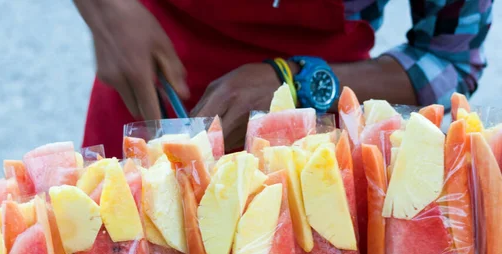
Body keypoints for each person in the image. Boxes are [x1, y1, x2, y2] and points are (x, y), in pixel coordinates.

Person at [74, 0, 492, 157]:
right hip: (147, 100)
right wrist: (106, 8)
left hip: (318, 151)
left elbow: (448, 59)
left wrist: (300, 82)